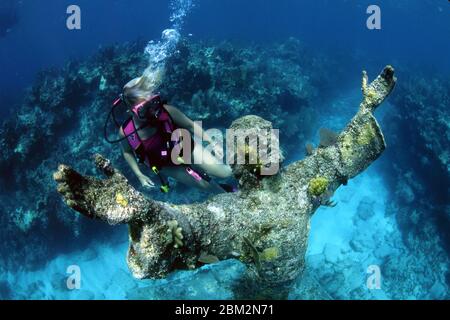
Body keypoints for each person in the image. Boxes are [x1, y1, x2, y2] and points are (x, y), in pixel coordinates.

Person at [116, 76, 233, 193]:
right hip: (166, 165)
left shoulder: (167, 111)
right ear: (130, 110)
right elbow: (127, 152)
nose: (152, 111)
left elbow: (190, 125)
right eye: (143, 109)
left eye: (153, 104)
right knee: (206, 186)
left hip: (186, 147)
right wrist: (139, 174)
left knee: (225, 173)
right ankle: (228, 191)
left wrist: (212, 143)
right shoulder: (127, 132)